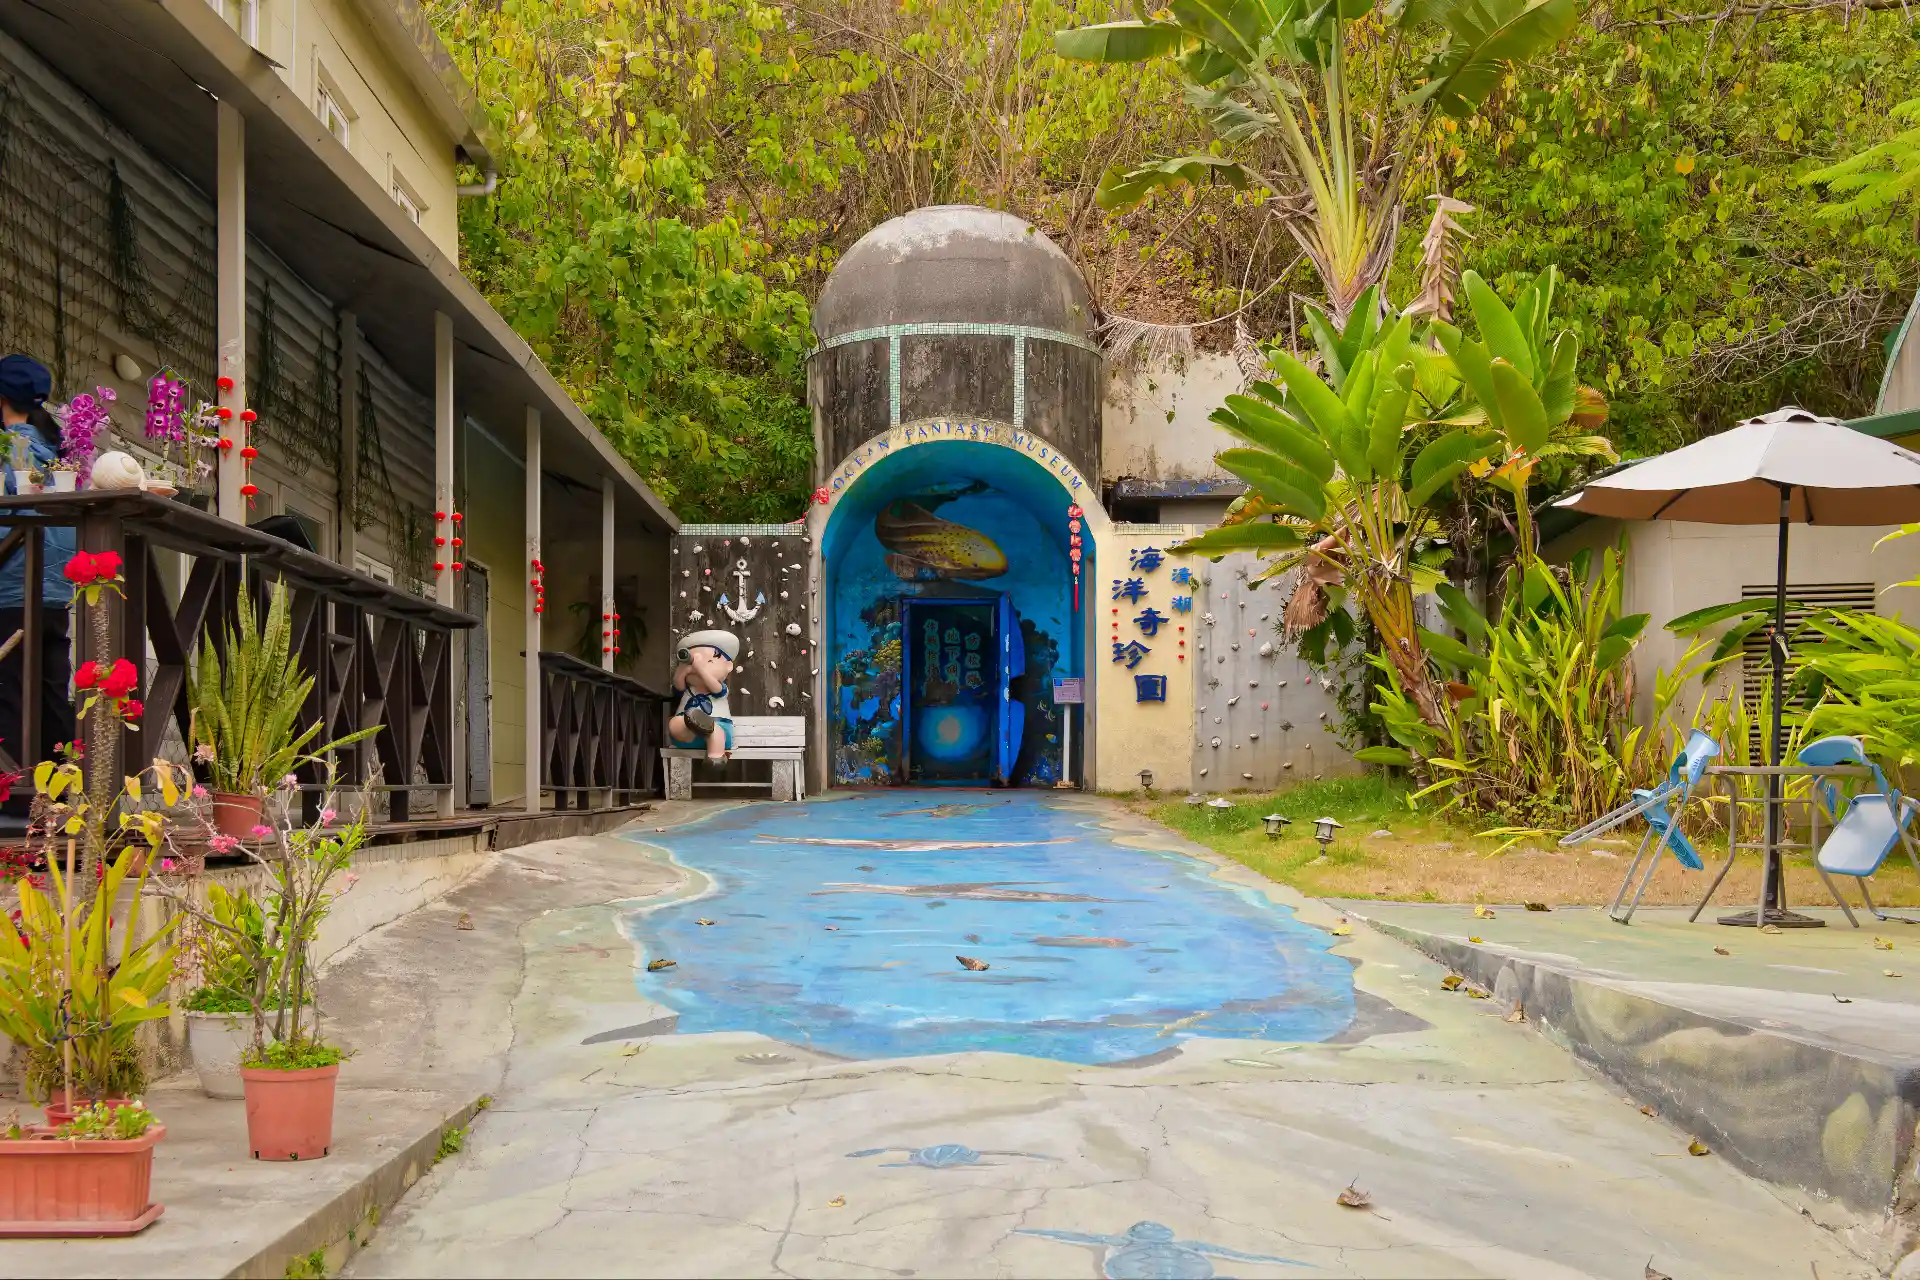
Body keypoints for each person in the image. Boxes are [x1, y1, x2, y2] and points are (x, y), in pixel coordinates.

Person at [0, 354, 77, 806]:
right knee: (52, 695)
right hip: (55, 595)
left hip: (11, 592)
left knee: (8, 693)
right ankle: (61, 801)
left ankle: (11, 804)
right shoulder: (59, 456)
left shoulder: (9, 450)